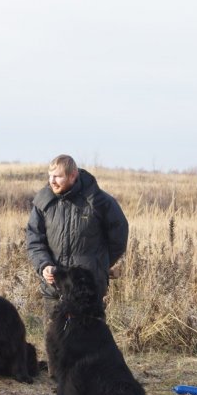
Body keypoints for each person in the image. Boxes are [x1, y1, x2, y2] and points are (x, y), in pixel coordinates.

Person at [26, 154, 129, 371]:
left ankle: (89, 385)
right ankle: (59, 386)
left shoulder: (100, 201)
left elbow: (118, 238)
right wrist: (44, 266)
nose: (52, 181)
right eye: (50, 175)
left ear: (73, 176)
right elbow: (34, 240)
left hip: (87, 289)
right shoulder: (43, 201)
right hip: (54, 284)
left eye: (58, 176)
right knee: (56, 340)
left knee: (88, 342)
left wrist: (99, 265)